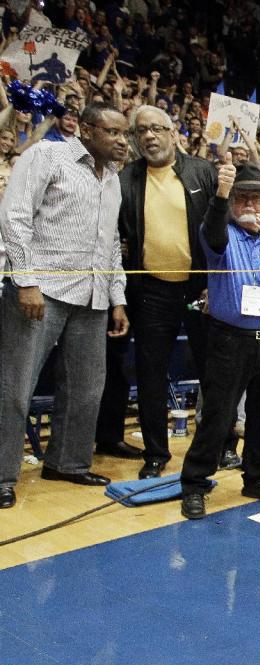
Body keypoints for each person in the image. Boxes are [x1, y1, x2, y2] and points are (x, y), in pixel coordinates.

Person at [0, 103, 130, 509]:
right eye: (114, 133)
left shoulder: (112, 179)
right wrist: (26, 280)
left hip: (92, 296)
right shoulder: (47, 155)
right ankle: (2, 475)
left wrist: (117, 298)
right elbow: (15, 216)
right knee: (15, 388)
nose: (123, 141)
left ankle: (67, 463)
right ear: (87, 130)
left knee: (87, 389)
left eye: (124, 134)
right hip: (41, 292)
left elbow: (109, 243)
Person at [94, 105, 220, 476]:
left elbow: (219, 234)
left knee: (214, 373)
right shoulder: (126, 179)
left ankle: (217, 447)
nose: (148, 136)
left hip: (201, 291)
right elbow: (114, 239)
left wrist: (217, 285)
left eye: (156, 129)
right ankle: (155, 454)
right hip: (150, 293)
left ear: (172, 131)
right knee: (150, 374)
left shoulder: (201, 171)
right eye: (141, 131)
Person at [178, 156, 260, 520]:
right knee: (218, 415)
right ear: (231, 203)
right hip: (230, 340)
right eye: (241, 199)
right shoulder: (220, 232)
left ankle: (258, 477)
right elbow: (212, 230)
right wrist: (221, 192)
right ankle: (195, 483)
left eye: (257, 198)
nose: (249, 205)